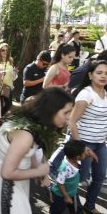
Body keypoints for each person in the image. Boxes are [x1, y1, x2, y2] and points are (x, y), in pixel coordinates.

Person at [0, 87, 74, 213]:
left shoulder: (26, 120)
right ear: (52, 110)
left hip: (7, 180)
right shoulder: (25, 135)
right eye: (66, 112)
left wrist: (37, 170)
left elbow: (27, 153)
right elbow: (7, 173)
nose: (69, 118)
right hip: (8, 186)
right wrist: (39, 171)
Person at [68, 60, 107, 214]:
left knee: (99, 177)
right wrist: (80, 146)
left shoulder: (105, 94)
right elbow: (71, 121)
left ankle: (89, 206)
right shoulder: (86, 94)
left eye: (106, 73)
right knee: (79, 178)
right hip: (84, 143)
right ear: (90, 75)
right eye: (99, 73)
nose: (103, 76)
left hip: (100, 143)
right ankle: (72, 205)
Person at [49, 140, 92, 214]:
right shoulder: (65, 168)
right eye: (84, 153)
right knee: (56, 211)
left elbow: (83, 157)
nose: (85, 154)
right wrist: (66, 196)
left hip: (72, 193)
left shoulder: (73, 159)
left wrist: (90, 154)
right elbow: (60, 183)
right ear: (78, 157)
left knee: (74, 210)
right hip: (59, 195)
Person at [0, 43, 16, 115]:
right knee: (1, 106)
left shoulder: (10, 60)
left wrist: (14, 72)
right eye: (3, 50)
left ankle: (4, 122)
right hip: (1, 87)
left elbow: (12, 75)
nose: (5, 52)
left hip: (9, 86)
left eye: (7, 50)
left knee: (8, 106)